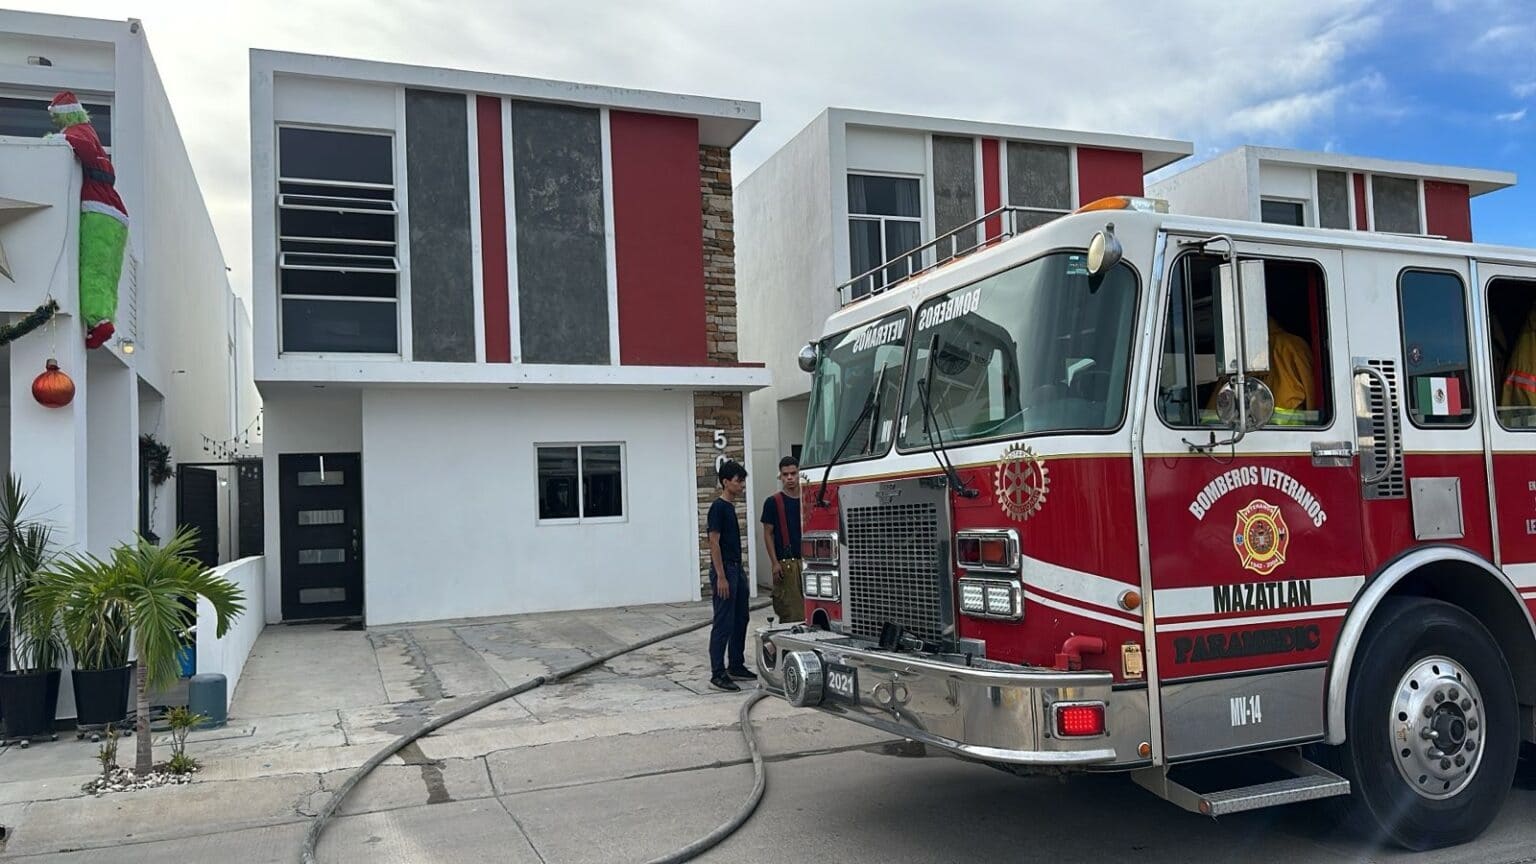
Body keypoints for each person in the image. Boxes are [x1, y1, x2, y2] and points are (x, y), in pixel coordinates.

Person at [1206, 316, 1315, 425]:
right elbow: (1314, 407)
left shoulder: (1237, 357)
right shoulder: (1291, 347)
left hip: (1289, 438)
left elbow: (1211, 419)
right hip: (1289, 437)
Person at [706, 460, 755, 692]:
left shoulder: (731, 507)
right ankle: (718, 673)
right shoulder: (718, 508)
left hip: (737, 568)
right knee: (723, 622)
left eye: (743, 480)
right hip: (725, 569)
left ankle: (736, 664)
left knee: (740, 618)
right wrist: (721, 576)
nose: (742, 484)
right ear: (726, 482)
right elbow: (713, 542)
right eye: (738, 480)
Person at [761, 456, 804, 623]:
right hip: (788, 563)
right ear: (781, 476)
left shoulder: (809, 498)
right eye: (786, 474)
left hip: (810, 561)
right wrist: (774, 563)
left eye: (793, 473)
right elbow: (767, 533)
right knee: (792, 614)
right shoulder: (772, 502)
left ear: (799, 473)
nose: (790, 478)